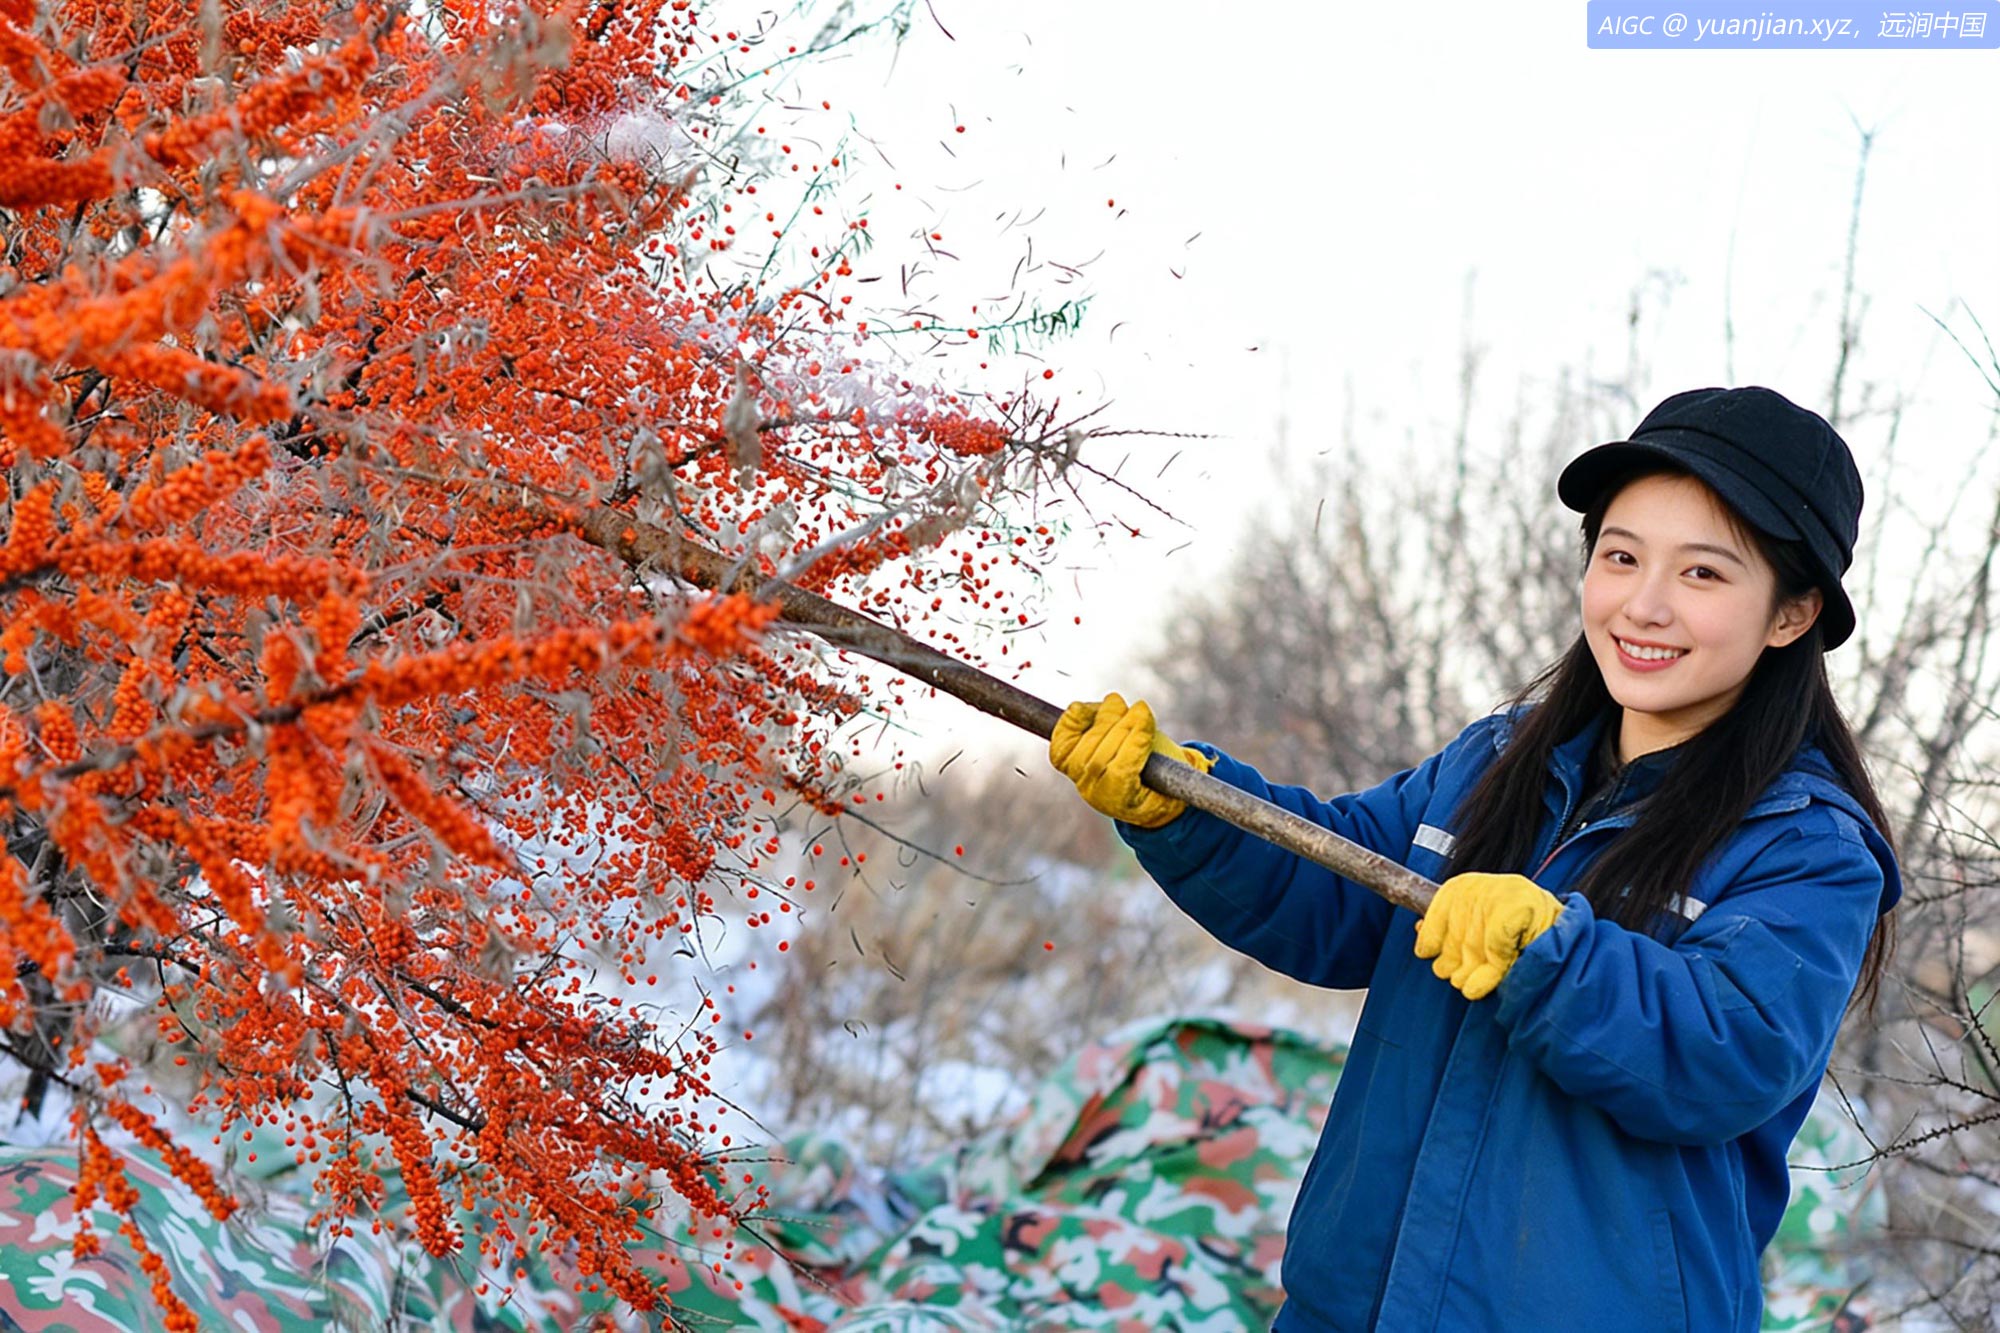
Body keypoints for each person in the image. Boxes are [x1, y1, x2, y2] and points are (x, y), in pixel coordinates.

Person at [1047, 386, 1901, 1333]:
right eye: (1621, 557)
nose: (1644, 605)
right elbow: (1337, 890)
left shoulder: (1806, 846)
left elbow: (1726, 1049)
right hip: (1356, 1306)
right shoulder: (1501, 761)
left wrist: (1554, 958)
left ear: (1792, 614)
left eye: (1704, 574)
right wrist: (1183, 806)